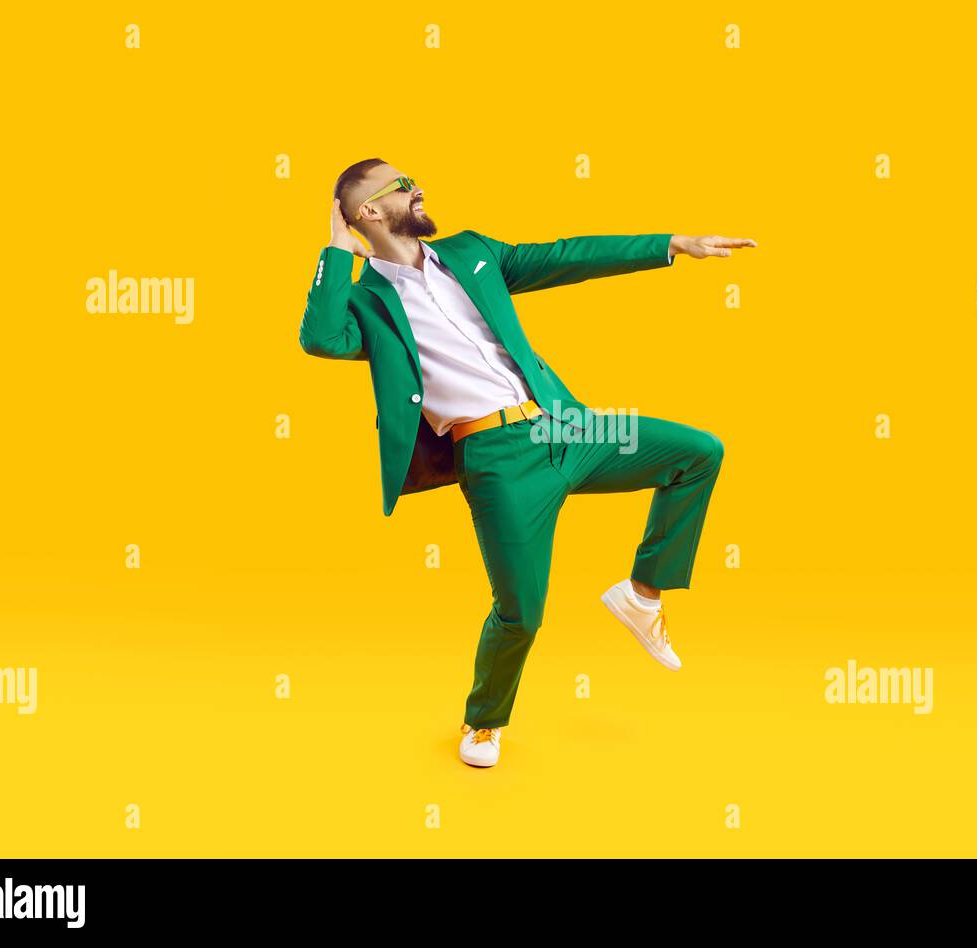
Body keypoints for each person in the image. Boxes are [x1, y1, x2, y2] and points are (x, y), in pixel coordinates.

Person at [299, 158, 756, 767]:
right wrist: (336, 252)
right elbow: (321, 338)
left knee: (698, 453)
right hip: (496, 456)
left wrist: (670, 244)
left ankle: (642, 597)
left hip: (570, 425)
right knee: (521, 612)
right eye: (403, 185)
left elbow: (566, 256)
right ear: (369, 213)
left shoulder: (472, 252)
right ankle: (483, 722)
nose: (420, 187)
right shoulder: (366, 303)